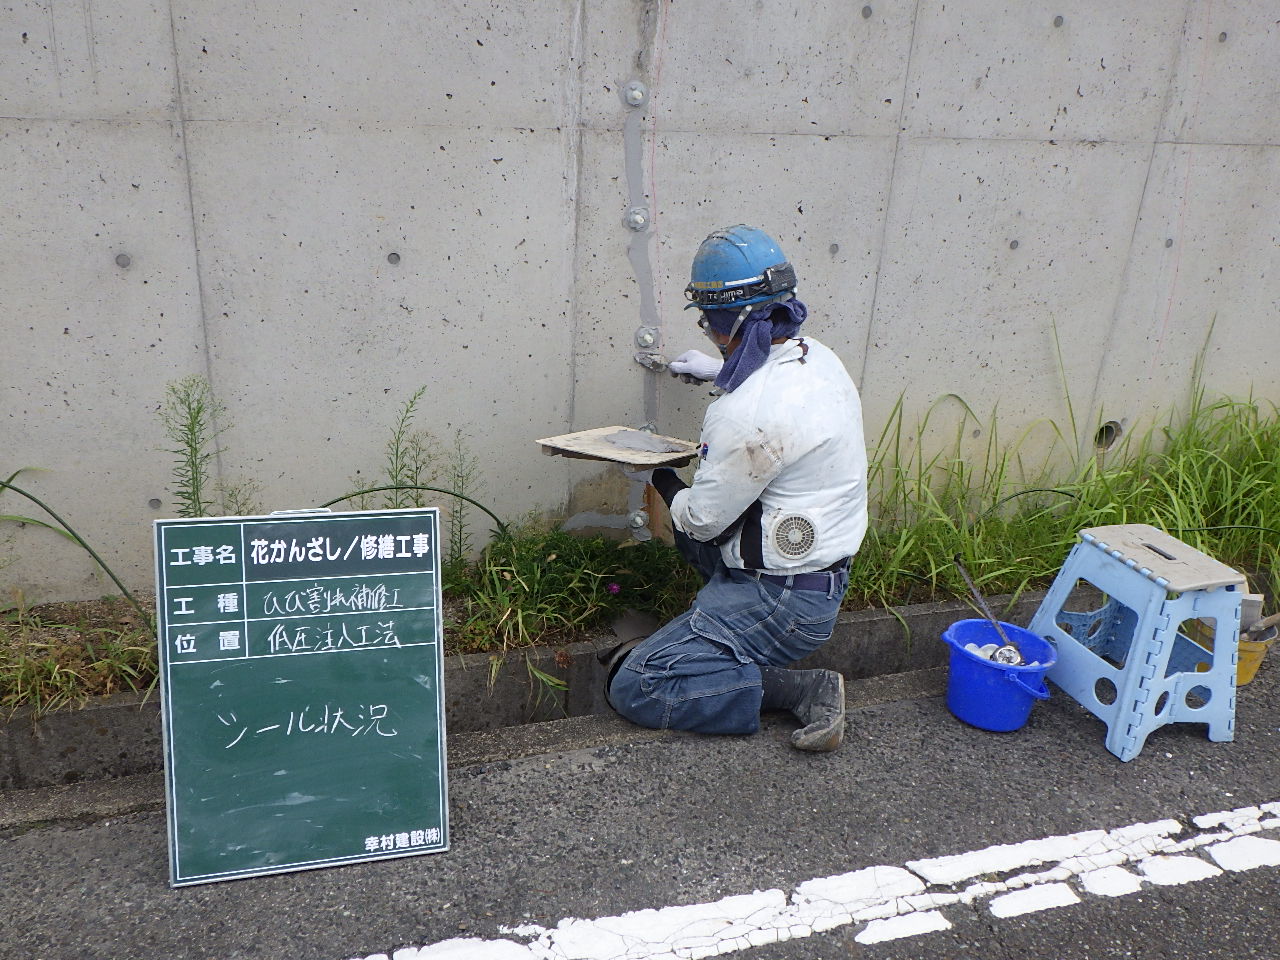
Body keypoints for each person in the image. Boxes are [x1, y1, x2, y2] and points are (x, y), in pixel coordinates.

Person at [602, 224, 869, 751]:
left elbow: (703, 518)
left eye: (708, 321)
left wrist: (659, 477)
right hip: (815, 576)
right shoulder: (817, 357)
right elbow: (773, 399)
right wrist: (718, 370)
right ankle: (715, 626)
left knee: (638, 683)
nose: (706, 330)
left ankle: (800, 687)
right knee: (696, 534)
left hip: (780, 602)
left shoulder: (748, 414)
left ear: (732, 319)